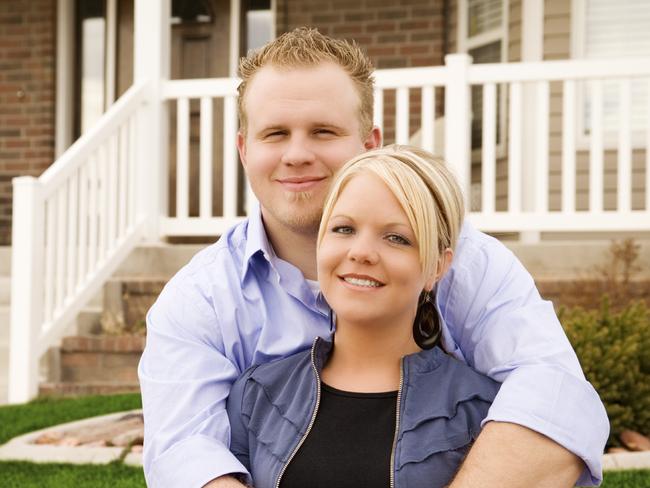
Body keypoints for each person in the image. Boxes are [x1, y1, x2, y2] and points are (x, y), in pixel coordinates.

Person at [138, 27, 608, 488]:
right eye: (275, 134)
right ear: (244, 148)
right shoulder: (199, 299)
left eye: (323, 131)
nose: (297, 154)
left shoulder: (469, 262)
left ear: (369, 143)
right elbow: (183, 453)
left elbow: (556, 397)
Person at [226, 145, 502, 488]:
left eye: (396, 238)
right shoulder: (256, 395)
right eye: (343, 229)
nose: (361, 253)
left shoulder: (483, 411)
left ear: (436, 266)